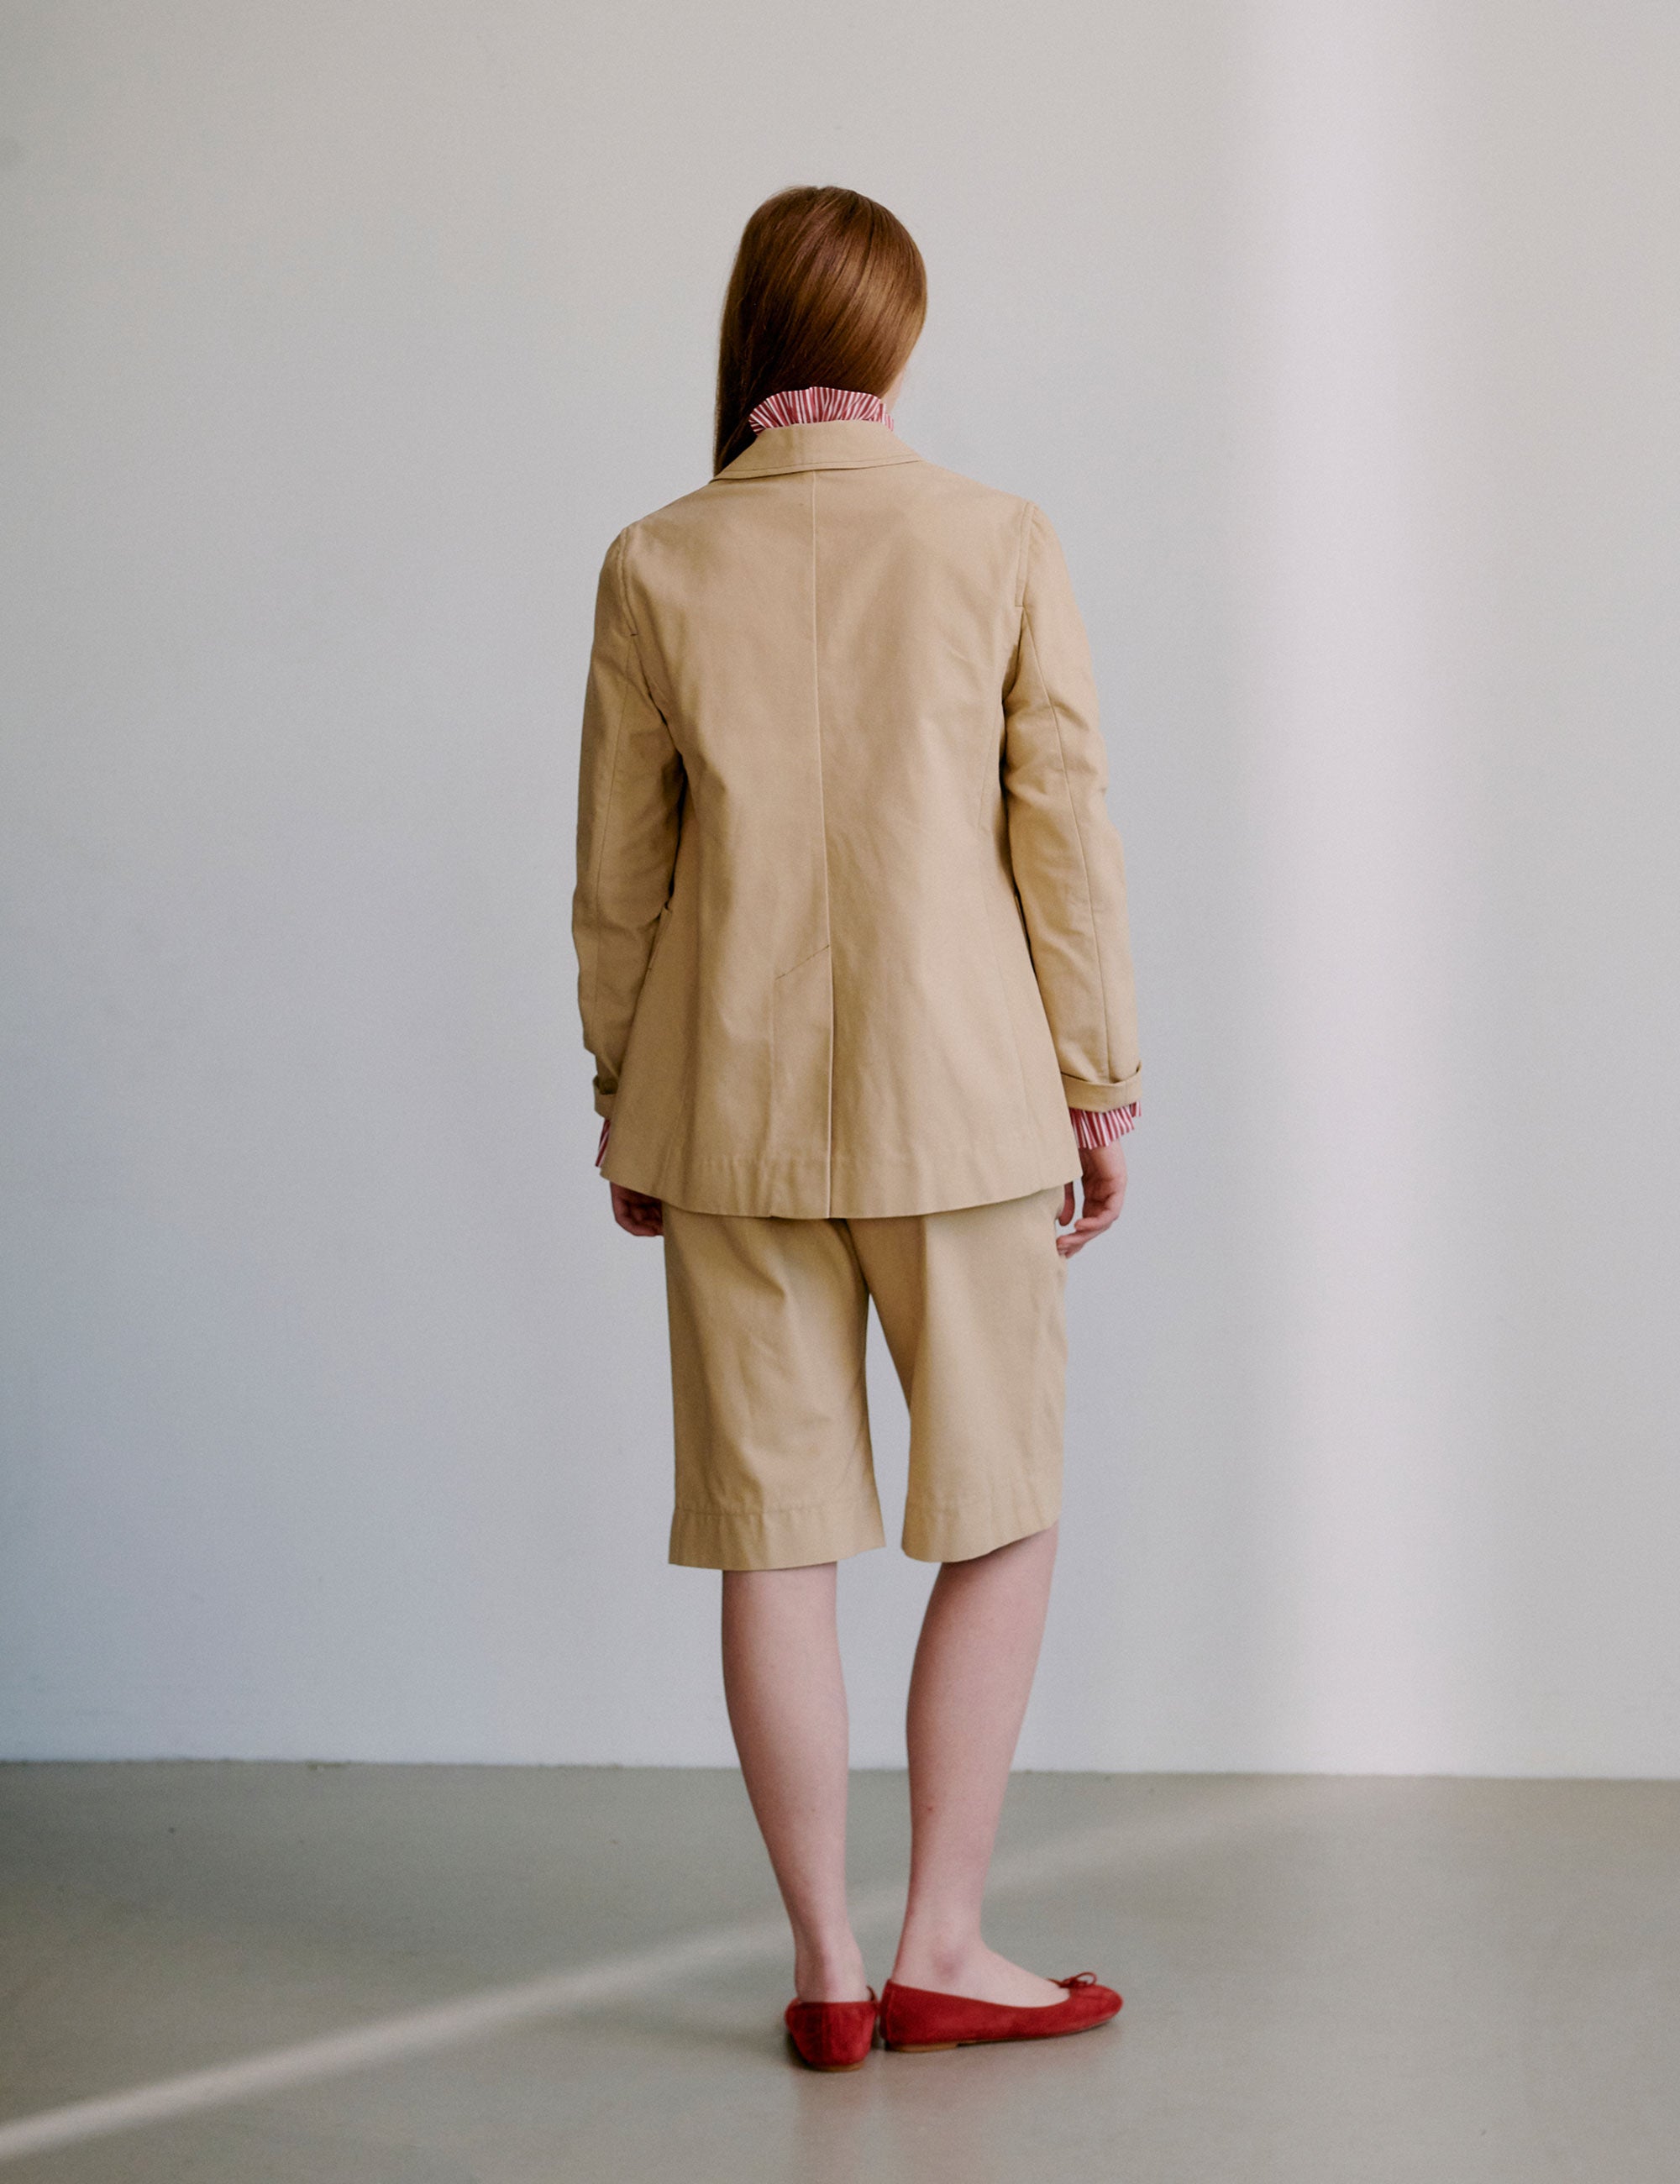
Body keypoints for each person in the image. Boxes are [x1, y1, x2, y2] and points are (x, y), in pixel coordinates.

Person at [572, 185, 1140, 2069]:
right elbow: (1060, 830)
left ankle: (825, 1967)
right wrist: (1096, 1077)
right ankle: (942, 1940)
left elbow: (619, 887)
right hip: (964, 1113)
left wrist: (620, 1095)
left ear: (754, 328)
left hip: (722, 1120)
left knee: (773, 1541)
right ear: (892, 335)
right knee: (1003, 1513)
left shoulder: (655, 561)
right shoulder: (994, 539)